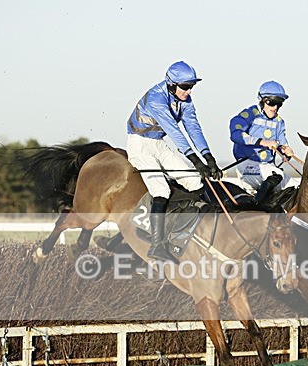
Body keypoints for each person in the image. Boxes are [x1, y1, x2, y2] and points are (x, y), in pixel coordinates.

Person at [127, 61, 222, 263]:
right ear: (171, 84)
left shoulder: (185, 100)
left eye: (191, 86)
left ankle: (189, 229)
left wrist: (208, 157)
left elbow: (193, 127)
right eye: (185, 87)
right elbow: (174, 131)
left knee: (195, 181)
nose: (189, 91)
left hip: (158, 144)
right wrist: (195, 159)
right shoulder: (156, 98)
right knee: (161, 190)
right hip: (140, 144)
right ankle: (157, 245)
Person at [229, 81, 298, 210]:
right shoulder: (249, 114)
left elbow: (282, 143)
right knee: (275, 175)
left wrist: (286, 151)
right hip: (246, 165)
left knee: (295, 187)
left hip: (268, 168)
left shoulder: (279, 122)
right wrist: (263, 142)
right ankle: (254, 207)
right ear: (261, 100)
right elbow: (235, 134)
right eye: (271, 102)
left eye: (279, 103)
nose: (275, 107)